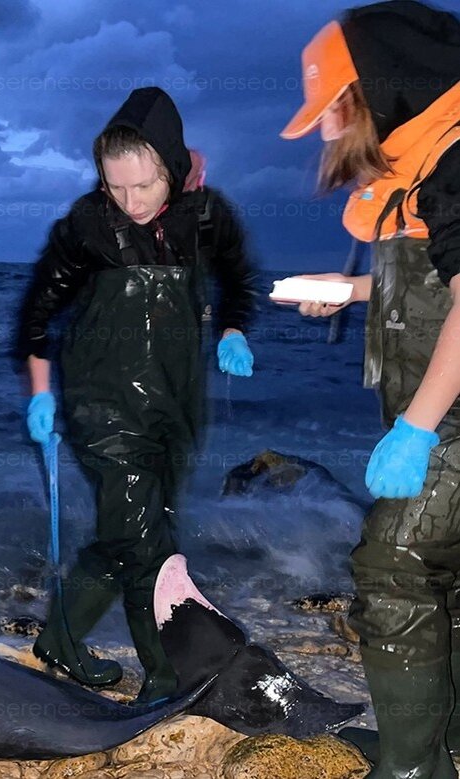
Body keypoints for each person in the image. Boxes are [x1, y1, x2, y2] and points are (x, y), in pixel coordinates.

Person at [15, 87, 258, 708]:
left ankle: (61, 640)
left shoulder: (206, 216)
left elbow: (239, 278)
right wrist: (41, 395)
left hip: (177, 401)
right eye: (116, 187)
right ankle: (165, 675)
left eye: (144, 186)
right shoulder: (87, 224)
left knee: (135, 530)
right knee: (149, 542)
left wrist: (234, 329)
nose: (130, 202)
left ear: (172, 168)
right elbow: (38, 314)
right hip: (101, 403)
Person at [280, 2, 460, 776]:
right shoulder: (421, 163)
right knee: (440, 575)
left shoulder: (454, 159)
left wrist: (417, 427)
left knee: (393, 568)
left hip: (449, 421)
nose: (322, 130)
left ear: (375, 94)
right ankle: (431, 742)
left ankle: (411, 767)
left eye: (329, 110)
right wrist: (351, 289)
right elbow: (428, 273)